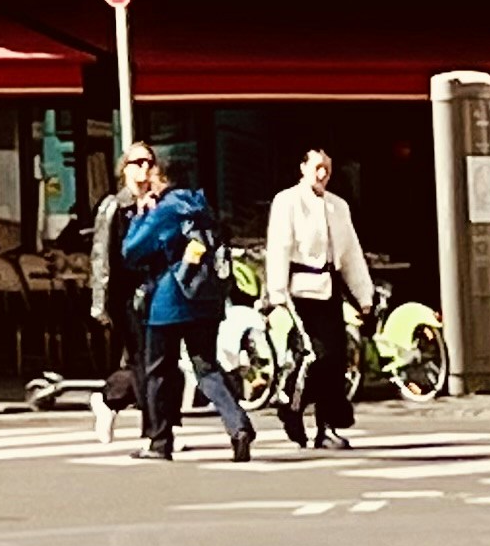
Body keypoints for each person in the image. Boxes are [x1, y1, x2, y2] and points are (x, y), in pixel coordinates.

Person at [127, 172, 253, 465]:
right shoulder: (202, 207)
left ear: (162, 180)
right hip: (206, 300)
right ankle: (238, 425)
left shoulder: (165, 210)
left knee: (159, 371)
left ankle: (160, 441)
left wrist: (141, 216)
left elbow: (132, 250)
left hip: (168, 301)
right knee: (207, 367)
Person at [263, 144, 372, 453]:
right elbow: (279, 246)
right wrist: (276, 291)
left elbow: (351, 253)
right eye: (317, 167)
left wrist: (364, 295)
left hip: (329, 287)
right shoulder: (287, 201)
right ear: (303, 168)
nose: (322, 173)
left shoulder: (338, 206)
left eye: (327, 168)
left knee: (336, 359)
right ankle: (292, 404)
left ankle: (327, 427)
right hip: (299, 289)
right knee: (313, 355)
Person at [88, 145, 163, 433]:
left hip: (157, 292)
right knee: (144, 358)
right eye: (137, 162)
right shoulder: (114, 207)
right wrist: (100, 301)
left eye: (149, 162)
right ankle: (155, 430)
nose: (144, 168)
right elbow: (101, 255)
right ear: (125, 169)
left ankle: (110, 398)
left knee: (149, 361)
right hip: (127, 294)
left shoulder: (159, 204)